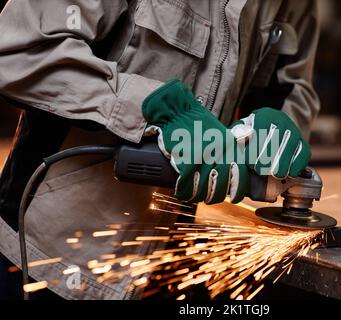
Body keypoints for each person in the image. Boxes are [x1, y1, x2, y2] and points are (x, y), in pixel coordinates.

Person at [0, 0, 320, 299]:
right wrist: (153, 108)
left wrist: (278, 126)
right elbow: (18, 52)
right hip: (44, 259)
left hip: (165, 266)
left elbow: (290, 85)